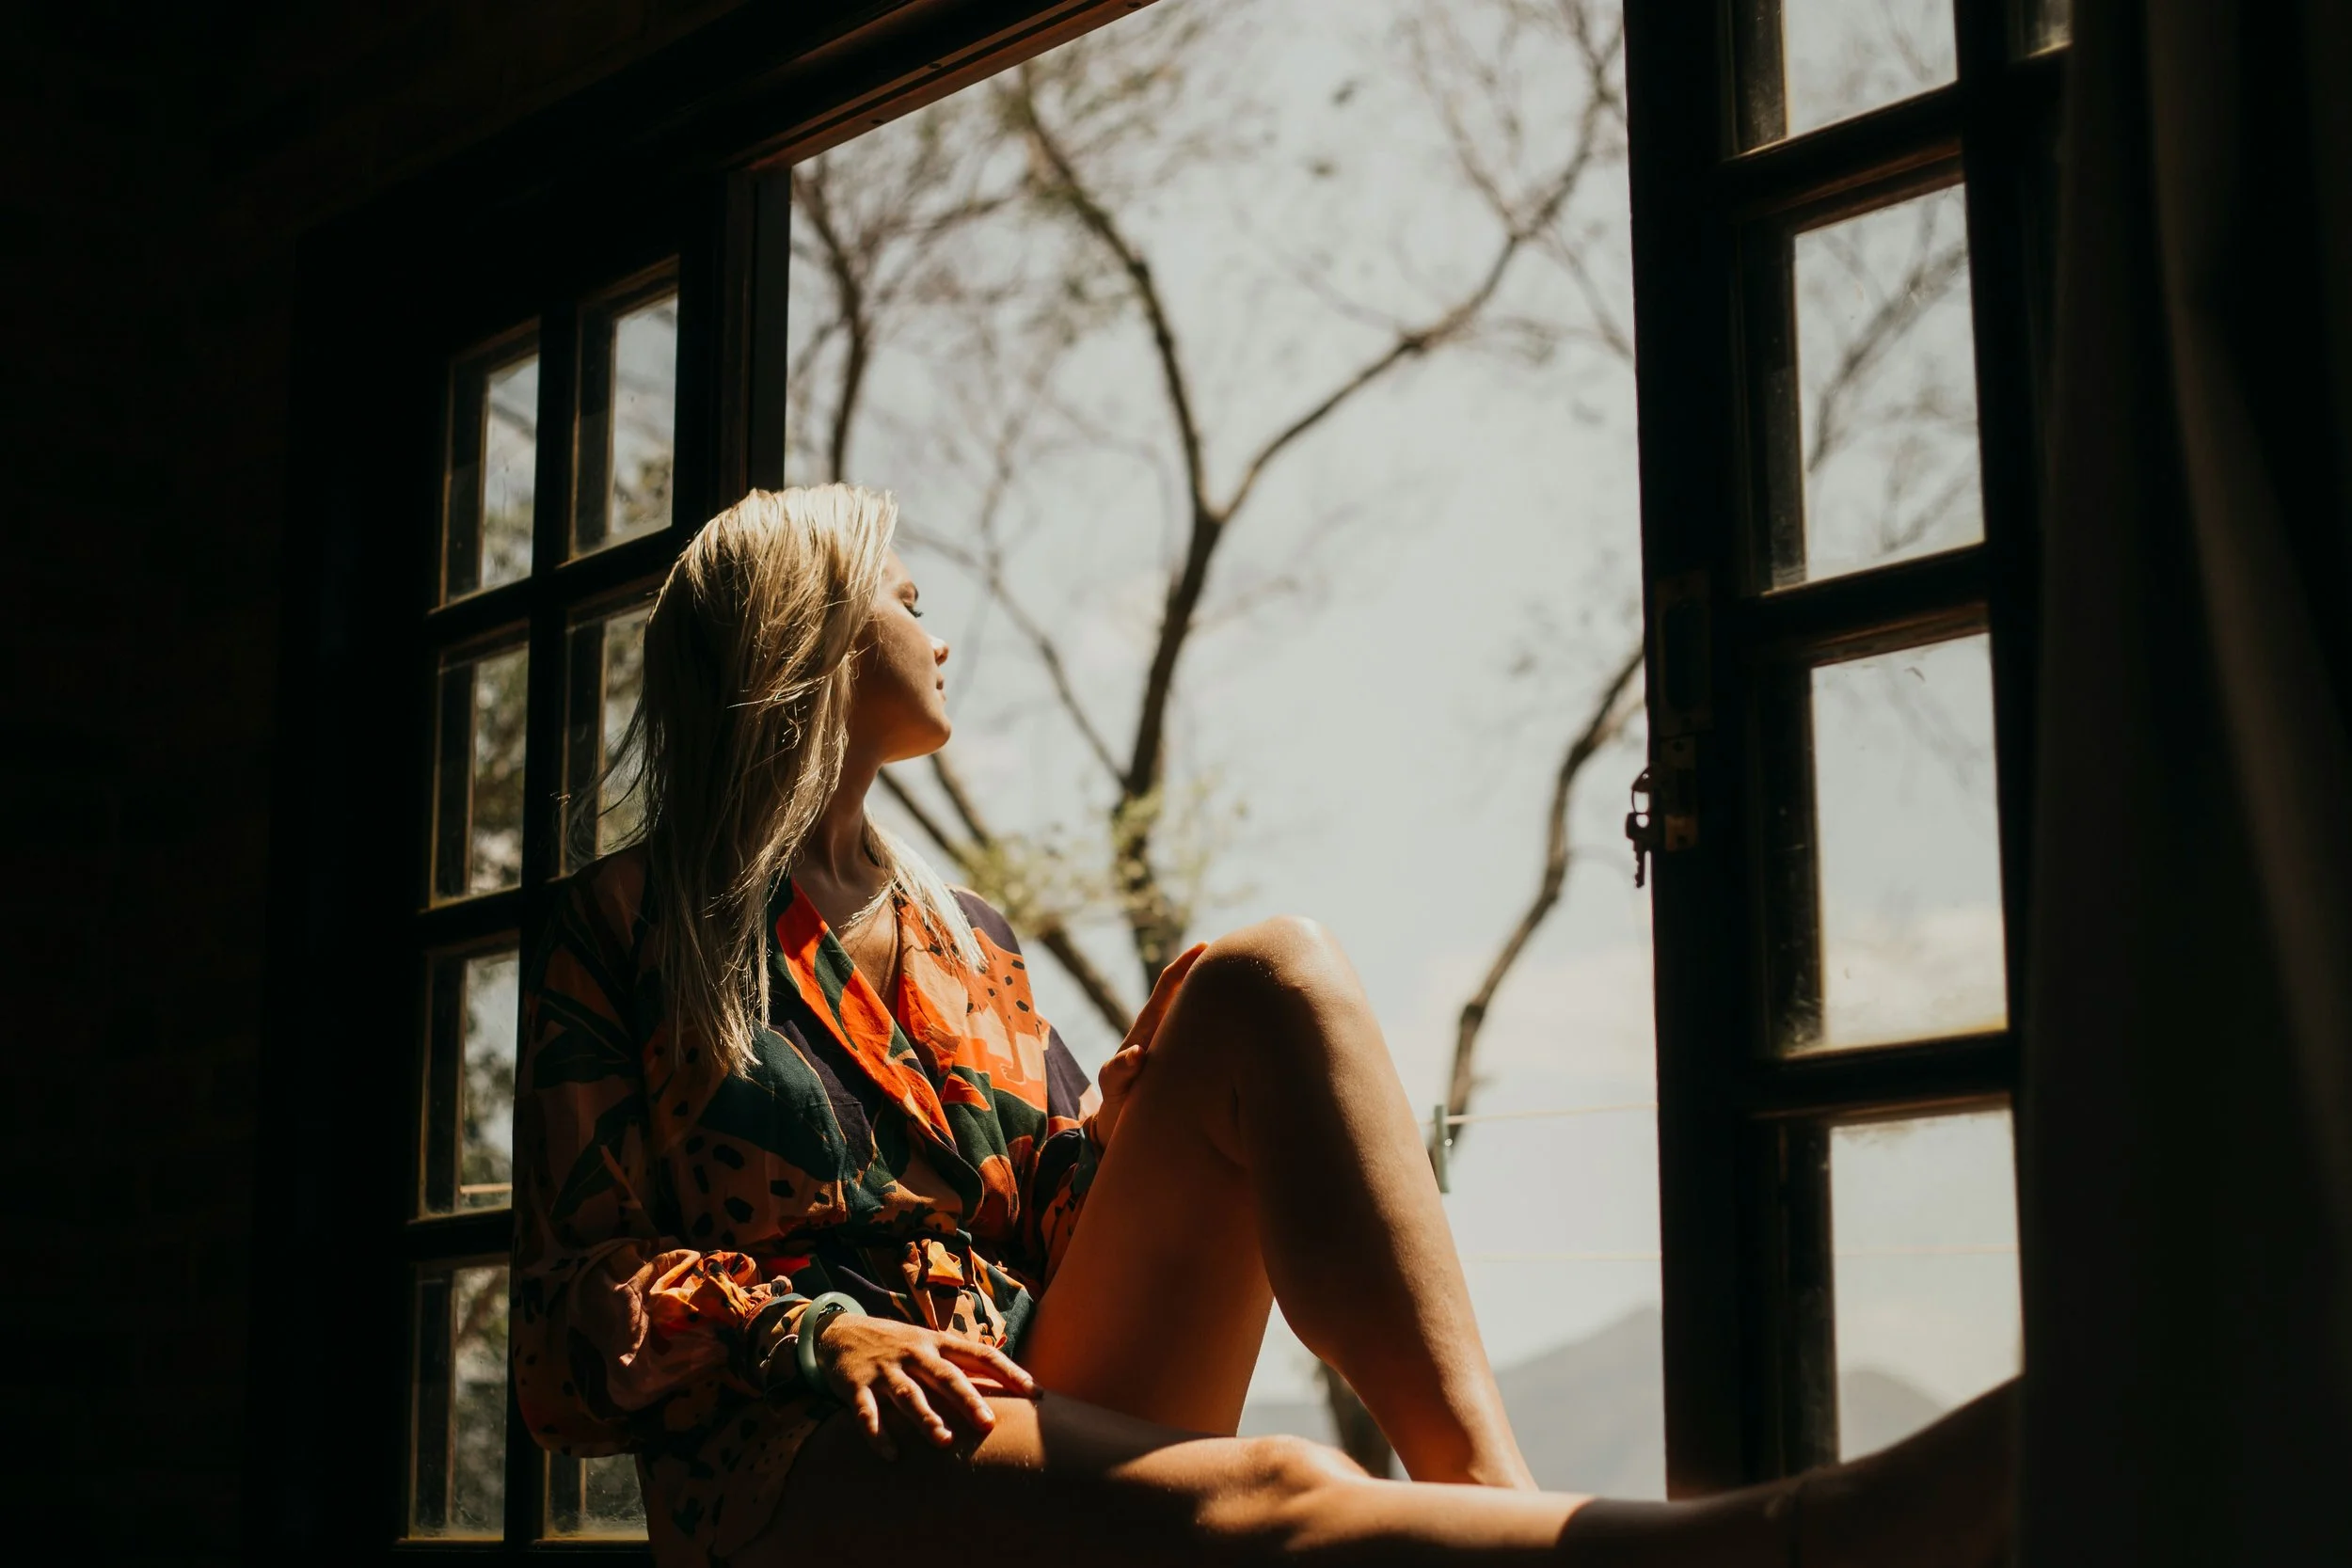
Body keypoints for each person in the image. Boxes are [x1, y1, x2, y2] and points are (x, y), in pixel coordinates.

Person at [514, 483, 2014, 1567]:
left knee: (1269, 973)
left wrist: (1128, 1124)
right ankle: (1803, 1538)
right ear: (812, 637)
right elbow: (566, 1312)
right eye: (905, 599)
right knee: (1278, 1485)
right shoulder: (627, 923)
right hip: (804, 1455)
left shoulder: (968, 939)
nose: (938, 631)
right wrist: (814, 1333)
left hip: (1023, 1387)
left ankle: (1501, 1500)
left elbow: (1047, 1230)